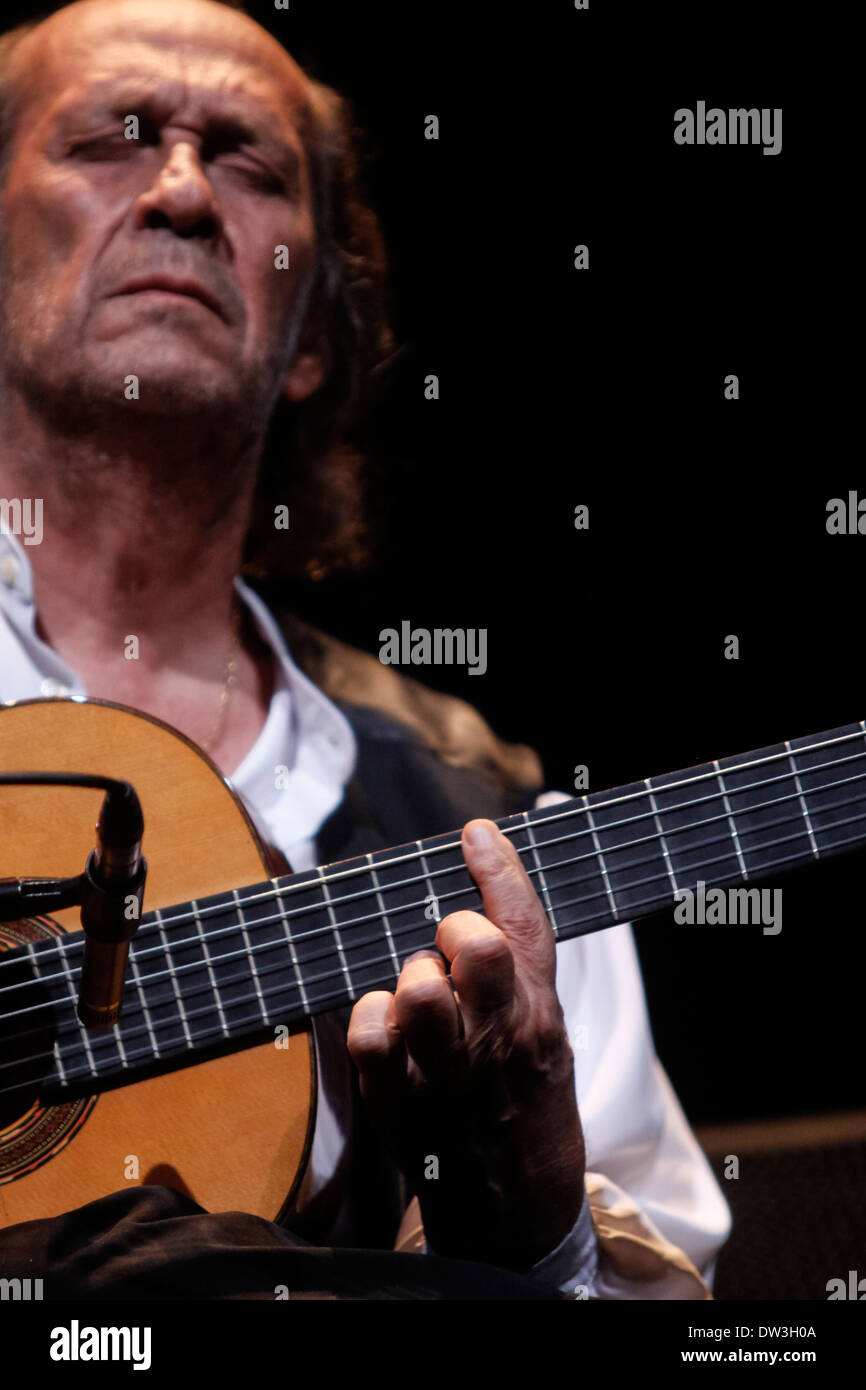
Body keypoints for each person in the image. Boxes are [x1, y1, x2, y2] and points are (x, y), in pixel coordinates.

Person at [0, 0, 730, 1298]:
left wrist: (526, 1215)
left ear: (316, 335)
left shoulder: (486, 821)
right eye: (112, 140)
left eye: (247, 163)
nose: (178, 192)